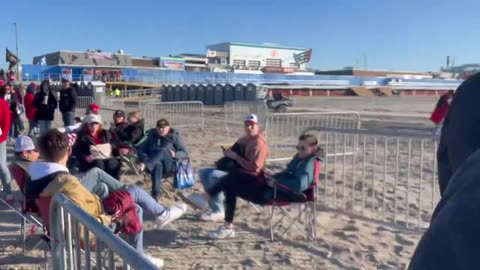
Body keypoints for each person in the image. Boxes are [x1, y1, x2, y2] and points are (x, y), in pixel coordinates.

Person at [26, 129, 164, 267]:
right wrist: (110, 217)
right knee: (133, 197)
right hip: (90, 230)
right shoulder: (66, 183)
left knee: (107, 189)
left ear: (41, 153)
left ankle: (139, 253)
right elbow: (85, 223)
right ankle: (139, 258)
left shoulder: (35, 176)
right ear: (68, 152)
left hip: (58, 225)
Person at [182, 134, 319, 239]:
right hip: (272, 186)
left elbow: (300, 185)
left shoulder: (309, 163)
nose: (299, 151)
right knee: (233, 177)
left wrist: (277, 183)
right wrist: (274, 177)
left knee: (231, 183)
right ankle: (220, 218)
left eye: (303, 148)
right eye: (298, 147)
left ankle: (218, 215)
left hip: (276, 192)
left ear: (314, 149)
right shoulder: (301, 158)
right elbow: (288, 174)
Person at [183, 114, 268, 222]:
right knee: (204, 173)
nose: (249, 127)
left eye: (252, 125)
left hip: (249, 178)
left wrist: (235, 157)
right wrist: (228, 153)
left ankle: (218, 210)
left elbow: (254, 169)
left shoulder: (259, 144)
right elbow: (234, 151)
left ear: (257, 126)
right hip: (236, 171)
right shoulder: (244, 139)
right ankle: (212, 206)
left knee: (214, 176)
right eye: (247, 125)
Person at [136, 119, 188, 200]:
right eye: (159, 128)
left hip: (170, 166)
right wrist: (145, 157)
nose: (160, 130)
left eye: (163, 128)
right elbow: (141, 149)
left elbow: (184, 153)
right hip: (154, 166)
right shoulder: (152, 136)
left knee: (162, 151)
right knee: (157, 165)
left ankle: (146, 165)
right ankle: (156, 193)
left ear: (168, 128)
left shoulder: (174, 137)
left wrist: (176, 154)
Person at [72, 114, 121, 179]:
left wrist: (113, 149)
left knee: (113, 162)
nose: (94, 125)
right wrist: (85, 157)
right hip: (91, 160)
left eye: (96, 123)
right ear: (88, 125)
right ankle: (102, 181)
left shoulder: (105, 133)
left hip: (106, 156)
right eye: (91, 123)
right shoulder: (82, 135)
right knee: (98, 162)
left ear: (99, 124)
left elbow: (114, 144)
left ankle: (115, 183)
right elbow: (76, 151)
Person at [0, 93, 12, 203]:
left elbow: (6, 123)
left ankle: (8, 192)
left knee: (2, 166)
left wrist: (2, 136)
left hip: (0, 140)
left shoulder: (3, 104)